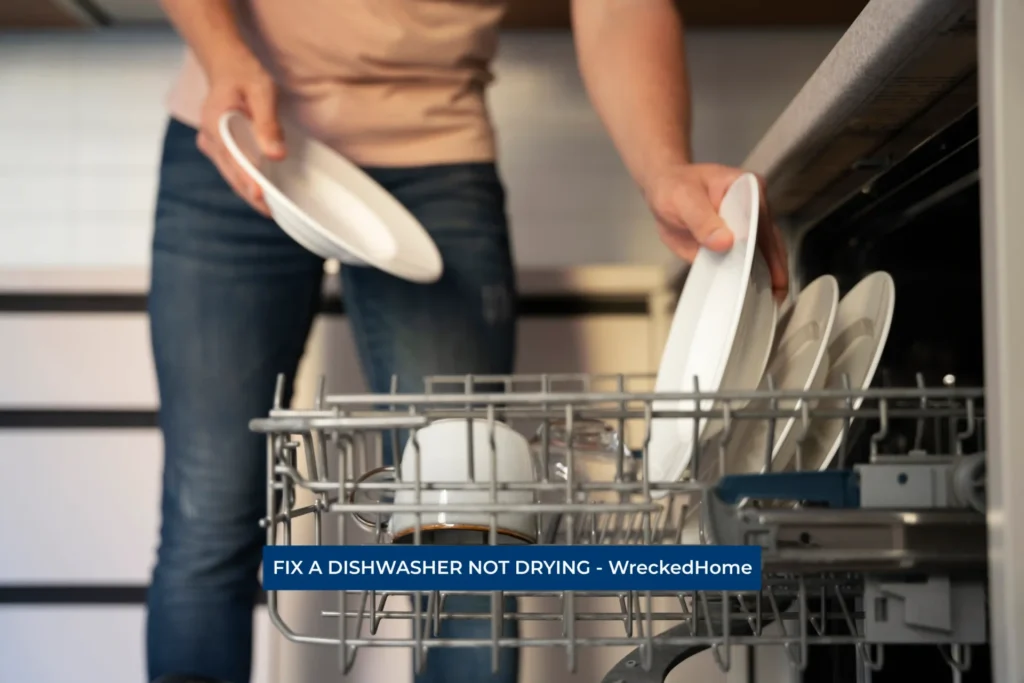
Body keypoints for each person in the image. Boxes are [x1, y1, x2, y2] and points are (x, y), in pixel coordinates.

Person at [147, 1, 790, 682]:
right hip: (240, 128)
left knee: (467, 535)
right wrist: (224, 55)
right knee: (208, 517)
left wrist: (663, 166)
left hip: (435, 156)